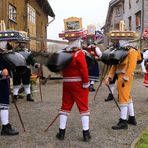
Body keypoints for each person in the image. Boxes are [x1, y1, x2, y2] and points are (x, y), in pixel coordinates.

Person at [56, 39, 91, 142]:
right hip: (78, 83)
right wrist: (86, 82)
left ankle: (61, 132)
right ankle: (86, 133)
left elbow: (61, 69)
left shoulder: (64, 54)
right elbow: (84, 69)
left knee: (65, 106)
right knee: (83, 107)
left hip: (67, 83)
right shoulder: (79, 53)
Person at [104, 40, 142, 130]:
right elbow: (114, 65)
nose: (118, 42)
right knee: (127, 97)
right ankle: (132, 118)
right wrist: (109, 77)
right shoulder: (121, 50)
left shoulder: (132, 51)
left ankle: (123, 121)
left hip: (125, 77)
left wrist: (126, 77)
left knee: (123, 98)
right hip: (120, 76)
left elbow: (132, 65)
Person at [0, 42, 19, 135]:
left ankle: (5, 126)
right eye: (3, 42)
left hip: (3, 82)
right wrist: (0, 72)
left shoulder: (5, 54)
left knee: (4, 104)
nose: (5, 44)